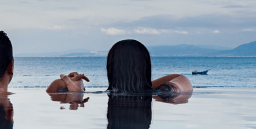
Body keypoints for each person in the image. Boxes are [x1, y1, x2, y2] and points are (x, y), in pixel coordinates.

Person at [46, 39, 192, 95]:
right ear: (146, 67)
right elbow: (181, 80)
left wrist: (74, 91)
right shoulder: (158, 94)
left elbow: (50, 93)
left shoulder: (107, 95)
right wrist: (144, 87)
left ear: (110, 69)